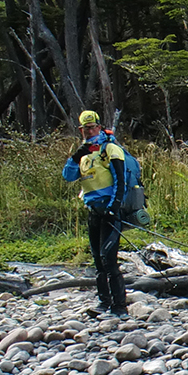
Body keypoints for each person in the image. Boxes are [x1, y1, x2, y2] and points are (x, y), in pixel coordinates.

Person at [62, 109, 129, 315]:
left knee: (109, 260)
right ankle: (104, 302)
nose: (89, 131)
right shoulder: (83, 153)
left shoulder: (110, 149)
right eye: (85, 128)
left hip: (109, 211)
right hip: (93, 211)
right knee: (98, 260)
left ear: (99, 127)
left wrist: (113, 207)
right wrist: (76, 156)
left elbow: (120, 180)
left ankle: (120, 306)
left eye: (92, 127)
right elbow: (68, 176)